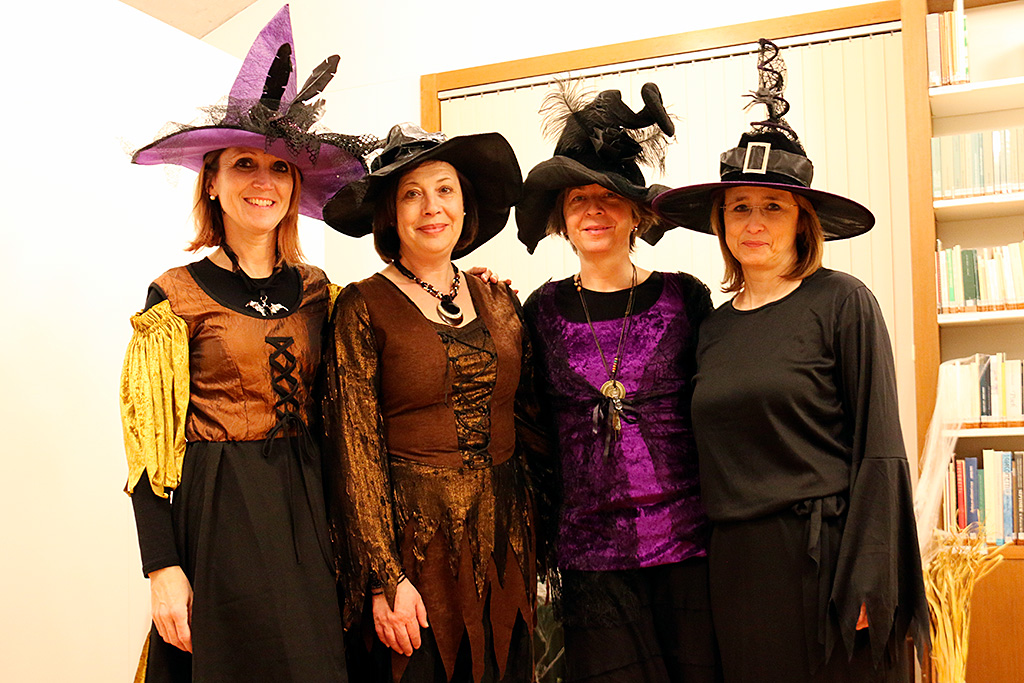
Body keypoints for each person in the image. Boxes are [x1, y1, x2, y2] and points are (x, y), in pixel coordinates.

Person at [652, 39, 929, 683]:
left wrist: (870, 572)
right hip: (737, 569)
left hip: (827, 558)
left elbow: (880, 448)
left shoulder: (842, 302)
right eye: (740, 208)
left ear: (803, 221)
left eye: (772, 207)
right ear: (721, 222)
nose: (754, 223)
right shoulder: (711, 328)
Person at [120, 7, 378, 680]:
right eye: (244, 165)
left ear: (295, 187)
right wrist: (161, 567)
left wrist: (466, 285)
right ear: (212, 181)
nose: (264, 182)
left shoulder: (322, 293)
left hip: (310, 509)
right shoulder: (174, 297)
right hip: (219, 512)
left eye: (279, 169)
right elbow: (147, 447)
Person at [321, 123, 546, 683]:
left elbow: (533, 420)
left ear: (465, 205)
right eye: (412, 194)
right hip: (414, 550)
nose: (432, 207)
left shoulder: (499, 299)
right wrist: (383, 577)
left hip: (505, 542)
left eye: (445, 190)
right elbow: (353, 450)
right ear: (390, 215)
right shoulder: (361, 307)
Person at [517, 81, 720, 683]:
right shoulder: (539, 310)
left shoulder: (686, 299)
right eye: (579, 199)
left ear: (637, 213)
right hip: (590, 557)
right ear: (562, 218)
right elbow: (525, 422)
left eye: (610, 198)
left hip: (688, 547)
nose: (594, 211)